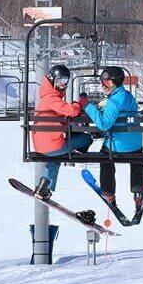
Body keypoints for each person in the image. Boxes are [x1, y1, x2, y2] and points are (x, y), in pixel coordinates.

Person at [81, 66, 143, 214]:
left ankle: (108, 193)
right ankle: (139, 193)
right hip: (136, 143)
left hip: (118, 147)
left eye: (107, 83)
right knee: (137, 159)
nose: (103, 86)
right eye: (102, 82)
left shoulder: (114, 100)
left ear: (116, 82)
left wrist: (87, 106)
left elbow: (104, 125)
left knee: (105, 158)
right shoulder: (128, 96)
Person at [32, 64, 92, 195]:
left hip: (44, 147)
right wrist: (78, 104)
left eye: (65, 81)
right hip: (52, 146)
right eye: (60, 81)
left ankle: (44, 188)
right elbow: (71, 111)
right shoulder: (51, 98)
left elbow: (62, 112)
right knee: (86, 138)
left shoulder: (47, 98)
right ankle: (76, 152)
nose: (63, 85)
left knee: (56, 158)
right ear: (52, 79)